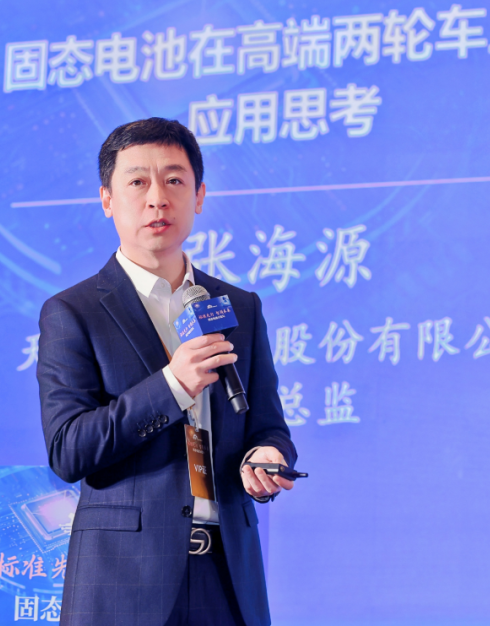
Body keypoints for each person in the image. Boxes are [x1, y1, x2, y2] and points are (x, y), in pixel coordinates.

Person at [37, 117, 298, 626]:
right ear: (107, 199)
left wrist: (268, 456)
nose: (157, 198)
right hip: (123, 583)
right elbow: (68, 450)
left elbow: (268, 425)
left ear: (199, 196)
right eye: (138, 181)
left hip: (227, 575)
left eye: (174, 180)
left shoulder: (239, 306)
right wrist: (173, 385)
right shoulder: (73, 312)